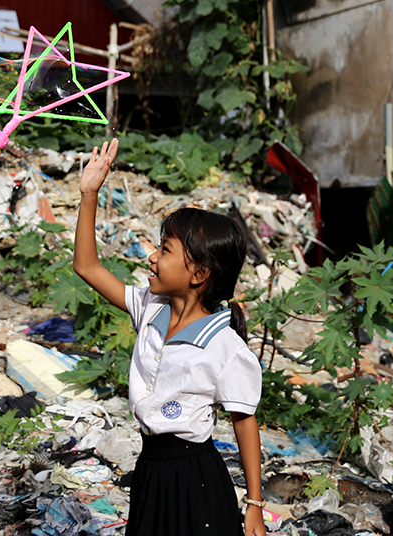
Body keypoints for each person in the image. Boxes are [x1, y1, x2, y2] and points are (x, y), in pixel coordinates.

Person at [72, 138, 267, 536]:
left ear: (199, 273)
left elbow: (244, 422)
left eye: (164, 250)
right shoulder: (150, 307)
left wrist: (254, 506)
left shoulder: (224, 346)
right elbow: (87, 267)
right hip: (150, 470)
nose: (152, 257)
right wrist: (89, 193)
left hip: (195, 477)